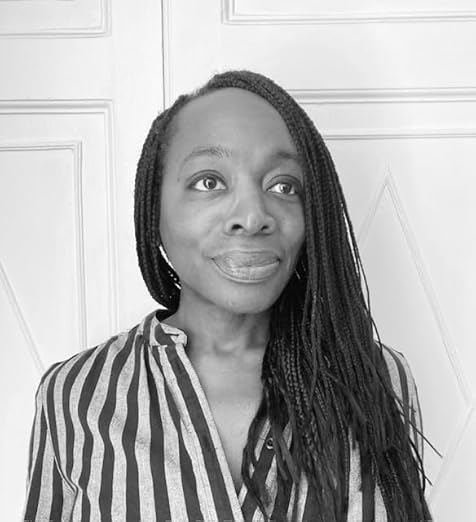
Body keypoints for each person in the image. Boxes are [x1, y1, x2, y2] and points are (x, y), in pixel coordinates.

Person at [23, 70, 433, 521]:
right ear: (153, 209)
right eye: (209, 182)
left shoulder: (379, 378)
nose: (253, 216)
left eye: (283, 185)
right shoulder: (76, 393)